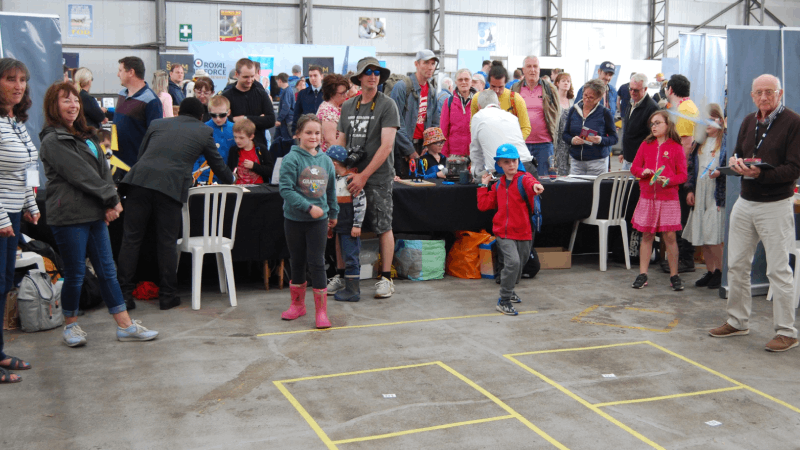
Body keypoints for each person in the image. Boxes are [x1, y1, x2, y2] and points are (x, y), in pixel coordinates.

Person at [39, 82, 159, 347]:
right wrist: (111, 199)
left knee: (107, 271)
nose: (73, 105)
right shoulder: (52, 140)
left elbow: (102, 170)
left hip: (94, 213)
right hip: (69, 216)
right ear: (53, 106)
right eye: (65, 101)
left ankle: (125, 326)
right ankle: (70, 326)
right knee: (76, 273)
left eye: (76, 101)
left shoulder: (86, 135)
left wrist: (107, 203)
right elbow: (81, 175)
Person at [708, 74, 800, 352]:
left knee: (778, 270)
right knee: (735, 265)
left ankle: (787, 331)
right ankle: (737, 321)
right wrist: (736, 164)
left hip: (775, 204)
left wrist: (760, 173)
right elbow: (738, 153)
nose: (764, 97)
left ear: (780, 94)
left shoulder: (794, 123)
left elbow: (795, 169)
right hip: (746, 202)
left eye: (769, 92)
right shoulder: (748, 121)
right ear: (752, 95)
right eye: (758, 92)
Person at [117, 98, 234, 311]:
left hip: (138, 183)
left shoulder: (157, 124)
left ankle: (123, 296)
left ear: (179, 112)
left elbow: (142, 155)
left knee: (131, 240)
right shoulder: (202, 131)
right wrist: (233, 181)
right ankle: (167, 295)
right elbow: (218, 165)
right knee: (167, 242)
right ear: (201, 117)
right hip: (169, 188)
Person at [335, 56, 400, 299]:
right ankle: (341, 275)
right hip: (350, 176)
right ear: (359, 78)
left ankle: (386, 278)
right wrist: (342, 171)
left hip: (378, 177)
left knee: (383, 225)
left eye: (377, 72)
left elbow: (386, 147)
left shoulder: (387, 105)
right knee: (344, 227)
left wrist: (363, 175)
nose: (373, 75)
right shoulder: (348, 106)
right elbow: (341, 140)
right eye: (368, 72)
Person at [0, 58, 40, 383]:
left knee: (3, 285)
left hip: (12, 214)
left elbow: (25, 168)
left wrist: (30, 203)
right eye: (10, 79)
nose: (18, 85)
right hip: (0, 216)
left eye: (22, 79)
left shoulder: (15, 121)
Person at [279, 114, 338, 328]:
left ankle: (321, 312)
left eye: (317, 133)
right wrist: (307, 207)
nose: (313, 136)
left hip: (318, 222)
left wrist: (333, 213)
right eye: (308, 132)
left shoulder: (325, 161)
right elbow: (285, 190)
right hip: (294, 220)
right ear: (298, 134)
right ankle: (297, 305)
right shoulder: (291, 159)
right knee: (297, 262)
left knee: (317, 262)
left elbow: (331, 190)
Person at [477, 144, 544, 315]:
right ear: (499, 164)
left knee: (519, 265)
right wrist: (483, 185)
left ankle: (510, 289)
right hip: (503, 232)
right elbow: (484, 205)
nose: (511, 165)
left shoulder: (524, 179)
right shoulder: (498, 185)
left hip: (524, 231)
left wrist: (536, 186)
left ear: (518, 161)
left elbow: (531, 182)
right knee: (513, 263)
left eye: (514, 161)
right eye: (506, 162)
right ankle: (504, 299)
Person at [629, 110, 688, 291]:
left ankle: (674, 275)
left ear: (667, 125)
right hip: (648, 196)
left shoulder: (676, 147)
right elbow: (634, 167)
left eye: (657, 123)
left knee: (669, 236)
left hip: (668, 198)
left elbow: (683, 175)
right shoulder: (646, 145)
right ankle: (643, 273)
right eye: (652, 124)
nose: (653, 127)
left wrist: (669, 181)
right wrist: (642, 172)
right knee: (646, 235)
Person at [684, 104, 727, 289]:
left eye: (712, 118)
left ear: (720, 120)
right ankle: (710, 271)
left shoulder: (726, 143)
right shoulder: (699, 143)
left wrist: (721, 173)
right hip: (700, 193)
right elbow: (691, 169)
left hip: (716, 195)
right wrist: (690, 190)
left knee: (714, 237)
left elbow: (732, 168)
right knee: (703, 235)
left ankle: (720, 271)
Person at [664, 74, 699, 274]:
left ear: (670, 89)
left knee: (683, 217)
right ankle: (681, 258)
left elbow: (686, 143)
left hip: (683, 173)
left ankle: (685, 259)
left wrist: (678, 173)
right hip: (685, 172)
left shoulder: (684, 110)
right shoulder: (688, 106)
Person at [325, 145, 366, 303]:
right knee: (344, 256)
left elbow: (361, 203)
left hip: (350, 228)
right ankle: (348, 287)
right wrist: (331, 226)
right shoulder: (334, 181)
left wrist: (357, 225)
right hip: (340, 227)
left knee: (351, 258)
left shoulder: (351, 179)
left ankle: (353, 290)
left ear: (333, 163)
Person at [391, 49, 441, 178]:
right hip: (401, 149)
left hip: (421, 147)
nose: (430, 67)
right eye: (426, 63)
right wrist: (409, 150)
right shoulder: (402, 87)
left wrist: (428, 143)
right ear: (416, 64)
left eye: (432, 64)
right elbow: (395, 122)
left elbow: (435, 121)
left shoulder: (432, 91)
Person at [511, 56, 561, 177]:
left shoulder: (550, 89)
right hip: (522, 143)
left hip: (545, 144)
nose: (532, 70)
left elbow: (557, 113)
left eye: (535, 66)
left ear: (539, 69)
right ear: (523, 70)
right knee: (521, 181)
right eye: (529, 66)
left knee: (544, 182)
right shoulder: (515, 89)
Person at [469, 90, 533, 178]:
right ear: (498, 104)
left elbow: (476, 151)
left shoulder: (478, 117)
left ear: (479, 107)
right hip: (527, 166)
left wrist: (476, 174)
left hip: (503, 170)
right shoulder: (512, 117)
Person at [114, 56, 163, 167]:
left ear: (131, 72)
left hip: (136, 166)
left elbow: (156, 138)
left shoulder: (151, 100)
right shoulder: (122, 94)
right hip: (117, 163)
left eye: (120, 71)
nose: (118, 75)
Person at [563, 79, 618, 176]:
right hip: (576, 162)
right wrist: (572, 140)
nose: (587, 99)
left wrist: (600, 140)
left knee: (595, 190)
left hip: (597, 163)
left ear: (599, 98)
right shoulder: (573, 110)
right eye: (585, 95)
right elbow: (565, 134)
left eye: (591, 97)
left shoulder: (605, 112)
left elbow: (614, 138)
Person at [222, 58, 276, 150]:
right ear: (236, 74)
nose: (250, 80)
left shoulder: (261, 94)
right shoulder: (227, 96)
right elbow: (225, 121)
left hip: (258, 149)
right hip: (235, 149)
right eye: (246, 77)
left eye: (252, 76)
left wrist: (244, 118)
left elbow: (271, 120)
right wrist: (259, 119)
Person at [472, 62, 531, 141]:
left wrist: (513, 143)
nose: (497, 90)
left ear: (506, 83)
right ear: (488, 83)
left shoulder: (516, 99)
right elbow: (472, 126)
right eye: (493, 86)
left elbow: (525, 128)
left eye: (500, 87)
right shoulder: (478, 98)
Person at [620, 73, 659, 170]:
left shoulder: (652, 108)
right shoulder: (631, 102)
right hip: (627, 159)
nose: (632, 92)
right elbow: (627, 131)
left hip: (641, 162)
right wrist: (623, 152)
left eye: (636, 90)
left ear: (645, 89)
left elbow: (654, 137)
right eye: (630, 89)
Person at [194, 95, 234, 185]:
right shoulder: (203, 128)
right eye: (213, 115)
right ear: (209, 113)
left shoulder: (235, 129)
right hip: (206, 177)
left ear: (229, 112)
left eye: (222, 115)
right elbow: (195, 156)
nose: (218, 119)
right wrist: (197, 178)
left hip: (227, 176)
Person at [440, 68, 475, 158]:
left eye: (466, 79)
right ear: (456, 82)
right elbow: (443, 129)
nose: (463, 82)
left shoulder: (478, 101)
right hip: (454, 153)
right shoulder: (449, 102)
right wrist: (444, 154)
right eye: (460, 79)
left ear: (471, 82)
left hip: (475, 153)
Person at [227, 118, 274, 185]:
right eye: (235, 137)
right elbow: (229, 169)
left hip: (259, 188)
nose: (237, 141)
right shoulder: (234, 150)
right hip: (239, 188)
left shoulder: (261, 149)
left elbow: (271, 171)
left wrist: (254, 166)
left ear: (251, 137)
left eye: (241, 138)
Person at [317, 73, 350, 153]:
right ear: (331, 94)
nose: (346, 95)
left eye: (346, 91)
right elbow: (331, 141)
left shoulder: (334, 107)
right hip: (332, 159)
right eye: (342, 93)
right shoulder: (328, 111)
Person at [553, 72, 574, 175]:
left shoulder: (573, 101)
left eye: (568, 81)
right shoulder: (552, 100)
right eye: (563, 81)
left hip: (569, 140)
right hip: (556, 140)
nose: (566, 83)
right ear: (557, 83)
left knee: (569, 169)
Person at [293, 65, 324, 131]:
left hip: (324, 130)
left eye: (315, 75)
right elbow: (296, 114)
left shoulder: (328, 93)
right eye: (310, 76)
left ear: (321, 76)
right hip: (307, 130)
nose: (312, 78)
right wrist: (295, 132)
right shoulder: (302, 94)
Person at [274, 73, 295, 141]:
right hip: (285, 121)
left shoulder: (287, 91)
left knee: (287, 141)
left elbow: (286, 106)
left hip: (287, 121)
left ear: (280, 80)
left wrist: (279, 119)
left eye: (277, 80)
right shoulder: (288, 90)